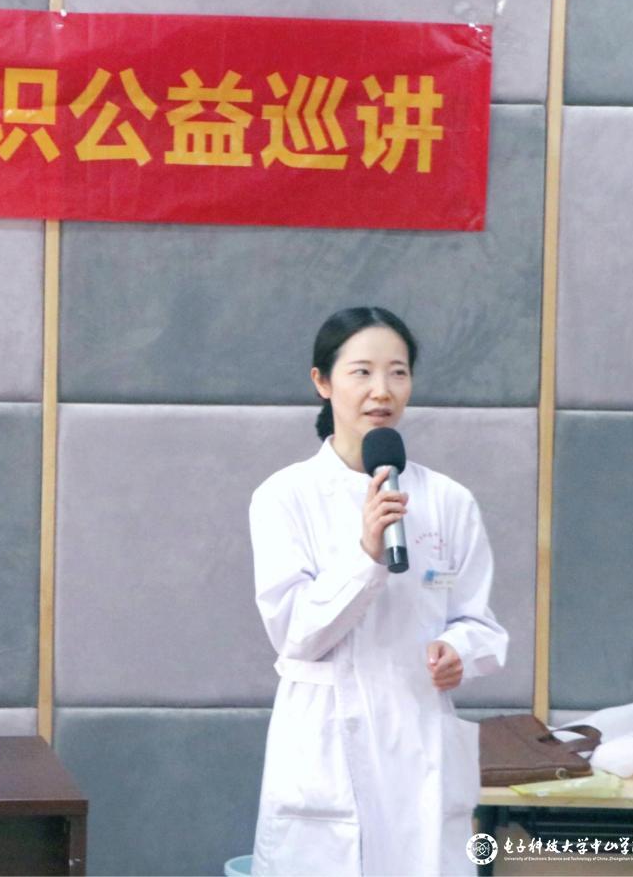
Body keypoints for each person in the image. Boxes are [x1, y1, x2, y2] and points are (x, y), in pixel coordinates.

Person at [249, 307, 508, 876]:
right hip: (326, 738)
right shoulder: (284, 496)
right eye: (361, 372)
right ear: (322, 382)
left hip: (419, 735)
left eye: (397, 372)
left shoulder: (449, 500)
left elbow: (480, 623)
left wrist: (459, 651)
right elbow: (295, 634)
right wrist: (366, 557)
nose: (382, 390)